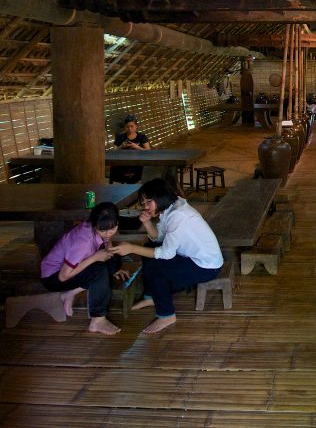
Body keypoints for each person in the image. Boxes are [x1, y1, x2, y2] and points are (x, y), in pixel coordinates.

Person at [109, 178, 223, 335]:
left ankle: (167, 315)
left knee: (158, 268)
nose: (146, 207)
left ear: (161, 198)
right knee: (150, 248)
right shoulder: (171, 208)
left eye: (149, 202)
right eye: (144, 203)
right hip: (192, 257)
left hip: (206, 265)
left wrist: (132, 248)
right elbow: (160, 238)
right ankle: (151, 296)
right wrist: (147, 223)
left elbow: (167, 254)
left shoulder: (178, 215)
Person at [40, 202, 128, 335]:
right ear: (94, 225)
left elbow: (107, 244)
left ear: (117, 223)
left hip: (75, 267)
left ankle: (71, 293)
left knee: (114, 258)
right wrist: (94, 258)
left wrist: (113, 268)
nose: (108, 234)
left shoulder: (100, 228)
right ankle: (97, 320)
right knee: (100, 271)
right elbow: (63, 276)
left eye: (112, 229)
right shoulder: (83, 242)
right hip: (54, 277)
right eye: (102, 230)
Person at [110, 114, 150, 184]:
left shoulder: (141, 136)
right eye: (127, 127)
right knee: (116, 168)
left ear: (136, 126)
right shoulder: (120, 137)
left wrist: (137, 147)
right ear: (124, 127)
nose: (130, 129)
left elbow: (149, 152)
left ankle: (131, 178)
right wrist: (121, 146)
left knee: (139, 169)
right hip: (123, 163)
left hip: (137, 163)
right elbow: (114, 152)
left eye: (132, 126)